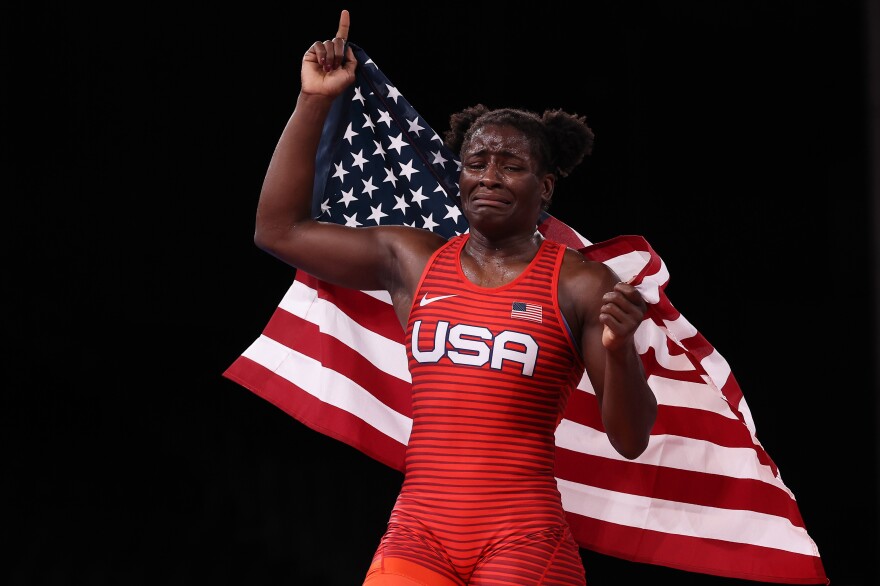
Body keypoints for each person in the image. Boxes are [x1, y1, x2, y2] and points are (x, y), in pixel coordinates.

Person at [253, 9, 658, 586]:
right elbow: (278, 230)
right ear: (459, 175)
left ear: (544, 187)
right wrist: (314, 100)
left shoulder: (580, 284)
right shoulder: (411, 259)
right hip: (418, 532)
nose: (489, 176)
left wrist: (619, 352)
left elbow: (631, 439)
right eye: (476, 162)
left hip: (523, 539)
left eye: (512, 165)